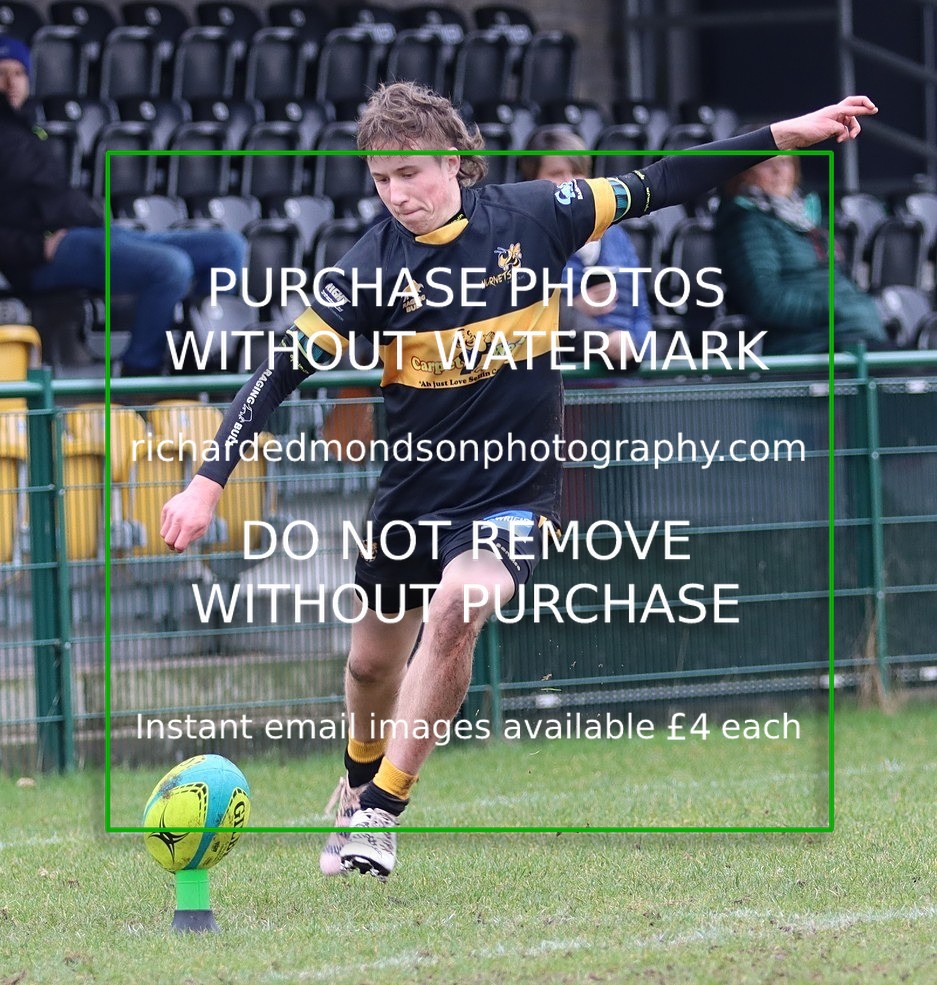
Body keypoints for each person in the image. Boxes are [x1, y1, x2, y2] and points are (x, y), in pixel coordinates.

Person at [160, 82, 877, 880]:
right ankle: (360, 779)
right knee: (369, 667)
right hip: (413, 497)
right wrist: (206, 481)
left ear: (458, 165)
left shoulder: (540, 213)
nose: (397, 195)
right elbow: (278, 369)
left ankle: (380, 813)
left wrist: (783, 132)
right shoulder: (370, 267)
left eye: (412, 175)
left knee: (461, 604)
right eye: (381, 180)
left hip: (512, 492)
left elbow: (666, 178)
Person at [0, 35, 246, 377]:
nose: (11, 83)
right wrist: (37, 248)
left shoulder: (30, 131)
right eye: (2, 73)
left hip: (92, 234)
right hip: (48, 256)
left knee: (226, 248)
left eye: (18, 73)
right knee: (170, 268)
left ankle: (200, 360)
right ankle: (139, 375)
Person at [714, 151, 888, 354]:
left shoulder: (805, 217)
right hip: (809, 344)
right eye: (766, 165)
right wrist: (836, 310)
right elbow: (765, 300)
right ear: (743, 173)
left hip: (853, 335)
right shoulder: (746, 223)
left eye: (785, 162)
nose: (778, 171)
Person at [520, 126, 652, 370]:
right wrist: (576, 309)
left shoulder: (617, 237)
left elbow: (641, 313)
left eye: (578, 172)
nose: (570, 182)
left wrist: (637, 349)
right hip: (569, 388)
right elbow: (525, 315)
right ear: (531, 180)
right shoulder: (523, 240)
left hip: (625, 383)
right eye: (557, 173)